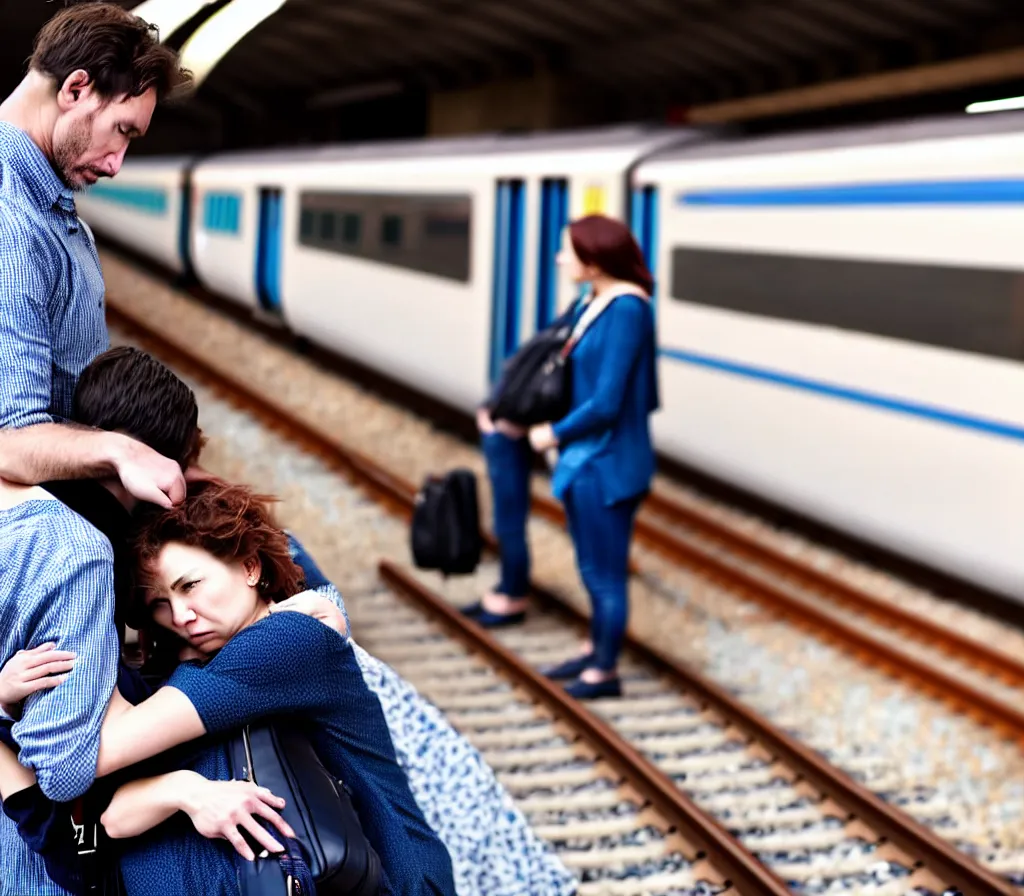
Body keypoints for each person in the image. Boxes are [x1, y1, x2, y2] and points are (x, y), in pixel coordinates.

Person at [1, 348, 576, 896]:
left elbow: (86, 756)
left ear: (251, 567)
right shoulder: (174, 667)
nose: (181, 616)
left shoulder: (289, 641)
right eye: (157, 605)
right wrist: (179, 790)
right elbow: (94, 825)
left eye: (190, 587)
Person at [0, 2, 192, 510]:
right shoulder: (11, 222)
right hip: (52, 540)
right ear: (76, 89)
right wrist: (118, 451)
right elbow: (7, 442)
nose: (116, 165)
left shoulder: (62, 222)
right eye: (122, 131)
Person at [527, 215, 660, 700]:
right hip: (588, 460)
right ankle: (594, 647)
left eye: (569, 250)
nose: (561, 259)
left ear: (596, 258)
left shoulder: (627, 310)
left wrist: (551, 433)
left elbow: (607, 402)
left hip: (607, 463)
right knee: (590, 568)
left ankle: (605, 671)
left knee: (604, 575)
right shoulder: (596, 301)